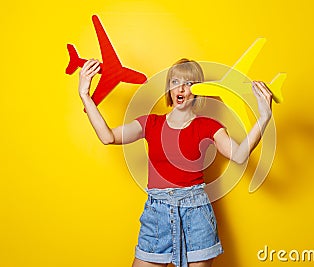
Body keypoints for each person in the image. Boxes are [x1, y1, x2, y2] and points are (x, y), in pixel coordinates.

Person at [78, 58, 273, 267]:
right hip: (157, 215)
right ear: (169, 88)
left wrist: (264, 117)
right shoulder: (151, 123)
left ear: (198, 89)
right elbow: (108, 137)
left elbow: (240, 155)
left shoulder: (208, 126)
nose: (180, 88)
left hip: (196, 214)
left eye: (188, 83)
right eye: (175, 81)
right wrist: (85, 95)